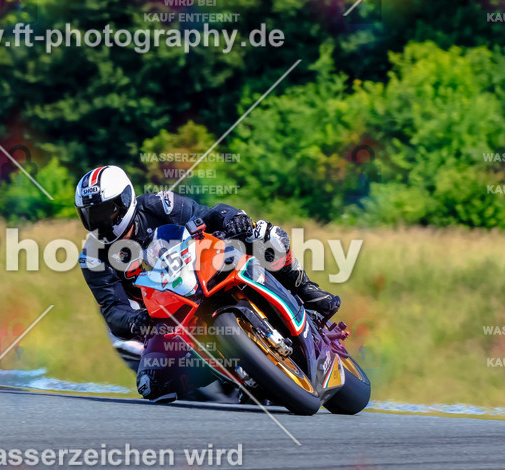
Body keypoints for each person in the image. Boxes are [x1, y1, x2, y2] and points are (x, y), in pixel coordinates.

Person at [75, 165, 340, 402]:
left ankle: (306, 289)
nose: (97, 222)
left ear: (124, 201)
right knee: (151, 385)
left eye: (103, 212)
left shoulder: (159, 204)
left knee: (263, 234)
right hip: (167, 313)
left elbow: (205, 214)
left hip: (202, 268)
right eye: (89, 216)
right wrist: (136, 321)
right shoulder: (92, 257)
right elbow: (112, 310)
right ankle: (237, 373)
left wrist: (230, 218)